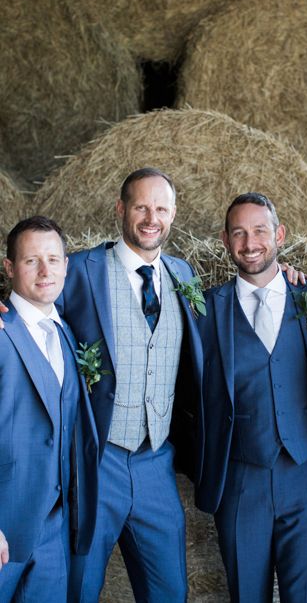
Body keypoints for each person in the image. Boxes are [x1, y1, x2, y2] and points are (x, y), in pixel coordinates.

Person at [57, 168, 204, 602]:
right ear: (121, 209)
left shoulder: (184, 275)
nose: (150, 217)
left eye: (160, 208)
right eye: (140, 206)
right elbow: (36, 318)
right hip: (97, 462)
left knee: (170, 592)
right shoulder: (80, 269)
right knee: (78, 590)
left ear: (173, 215)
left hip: (156, 462)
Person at [195, 193, 307, 602]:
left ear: (280, 234)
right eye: (239, 232)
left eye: (259, 230)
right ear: (224, 240)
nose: (250, 242)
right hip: (240, 478)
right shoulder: (205, 309)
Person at [0, 216, 98, 601]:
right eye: (31, 261)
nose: (45, 271)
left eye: (53, 260)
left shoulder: (66, 331)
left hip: (55, 527)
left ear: (66, 266)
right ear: (9, 268)